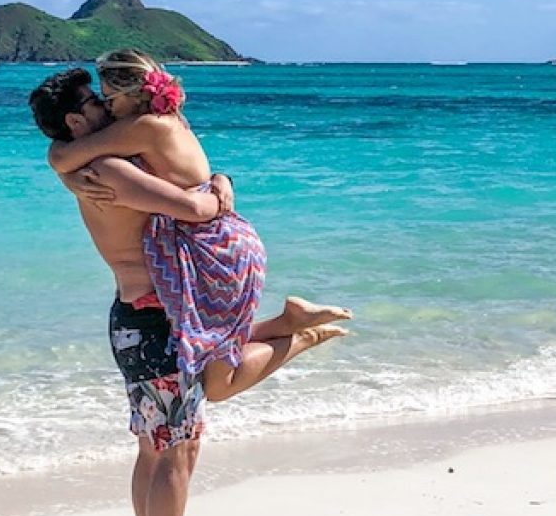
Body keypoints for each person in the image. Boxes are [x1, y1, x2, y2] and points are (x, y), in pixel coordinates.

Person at [29, 67, 348, 516]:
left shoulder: (92, 163)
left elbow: (177, 180)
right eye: (94, 103)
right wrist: (221, 187)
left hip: (149, 320)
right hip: (152, 325)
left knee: (162, 450)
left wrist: (213, 178)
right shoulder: (105, 167)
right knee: (172, 453)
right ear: (78, 121)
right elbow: (197, 208)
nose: (108, 107)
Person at [46, 49, 352, 394]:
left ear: (129, 96)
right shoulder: (172, 121)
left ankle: (304, 337)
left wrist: (65, 172)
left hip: (213, 249)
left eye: (108, 97)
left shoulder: (141, 127)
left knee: (219, 386)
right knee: (208, 343)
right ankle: (288, 322)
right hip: (224, 242)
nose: (107, 106)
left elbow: (65, 156)